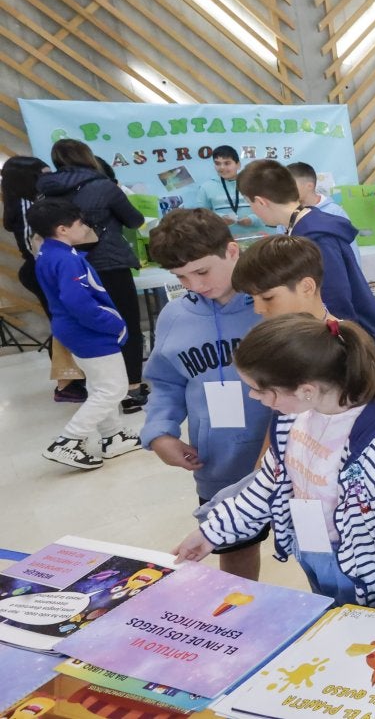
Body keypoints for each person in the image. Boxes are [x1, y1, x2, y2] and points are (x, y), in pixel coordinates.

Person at [175, 314, 375, 612]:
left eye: (260, 389)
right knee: (334, 618)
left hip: (368, 575)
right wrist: (211, 534)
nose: (252, 395)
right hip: (314, 550)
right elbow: (265, 488)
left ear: (306, 390)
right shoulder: (292, 421)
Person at [141, 208, 271, 580]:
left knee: (319, 546)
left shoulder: (272, 305)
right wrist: (160, 433)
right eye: (180, 276)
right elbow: (165, 383)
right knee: (235, 551)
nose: (194, 285)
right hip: (220, 465)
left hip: (288, 457)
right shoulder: (174, 317)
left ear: (232, 252)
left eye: (201, 271)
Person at [28, 199, 141, 471]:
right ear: (63, 229)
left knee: (100, 385)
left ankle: (112, 435)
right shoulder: (65, 259)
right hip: (89, 331)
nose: (86, 227)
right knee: (113, 388)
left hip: (75, 330)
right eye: (80, 223)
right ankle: (68, 441)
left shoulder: (49, 253)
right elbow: (79, 302)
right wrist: (113, 325)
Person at [239, 160, 375, 356]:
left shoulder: (316, 237)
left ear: (260, 202)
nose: (252, 210)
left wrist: (339, 351)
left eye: (250, 203)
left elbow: (337, 299)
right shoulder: (303, 224)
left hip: (347, 341)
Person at [37, 140, 148, 410]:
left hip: (69, 264)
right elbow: (135, 220)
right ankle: (131, 387)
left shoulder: (45, 193)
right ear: (88, 157)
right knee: (126, 324)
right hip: (108, 263)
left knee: (90, 324)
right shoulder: (103, 186)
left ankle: (104, 388)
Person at [3, 155, 87, 404]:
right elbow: (37, 248)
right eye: (44, 174)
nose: (51, 179)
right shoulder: (28, 206)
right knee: (64, 326)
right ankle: (67, 383)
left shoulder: (29, 202)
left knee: (64, 324)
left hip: (45, 271)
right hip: (44, 272)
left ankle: (70, 382)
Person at [231, 234, 334, 320]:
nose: (257, 309)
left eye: (268, 298)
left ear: (307, 287)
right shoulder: (270, 339)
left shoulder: (342, 342)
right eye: (252, 299)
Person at [196, 145, 263, 239]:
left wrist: (253, 220)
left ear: (238, 164)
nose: (222, 168)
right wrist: (219, 219)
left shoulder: (254, 184)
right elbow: (200, 215)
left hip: (255, 238)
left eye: (227, 163)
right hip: (221, 241)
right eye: (217, 163)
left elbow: (269, 210)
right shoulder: (206, 187)